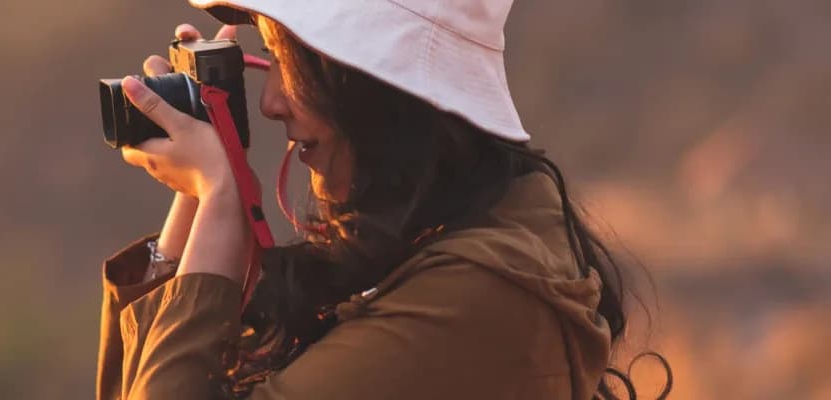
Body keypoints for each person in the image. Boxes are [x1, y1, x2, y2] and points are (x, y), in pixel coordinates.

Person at [95, 0, 669, 399]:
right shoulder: (434, 244)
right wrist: (193, 209)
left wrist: (222, 196)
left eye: (290, 62)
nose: (270, 101)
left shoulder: (479, 297)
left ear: (372, 86)